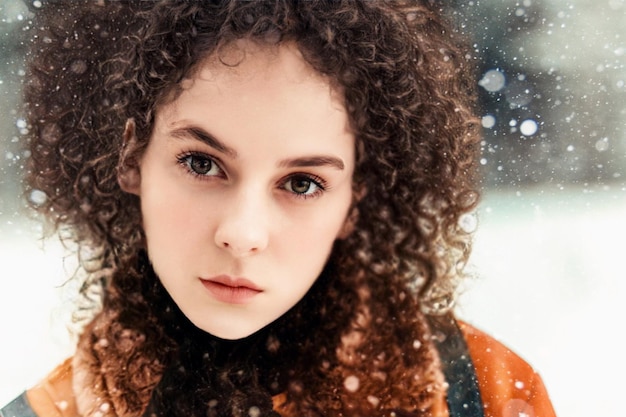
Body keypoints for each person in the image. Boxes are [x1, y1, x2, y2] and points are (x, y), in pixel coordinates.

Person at [1, 1, 556, 417]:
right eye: (200, 164)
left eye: (303, 182)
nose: (242, 235)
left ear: (357, 198)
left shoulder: (486, 391)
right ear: (131, 159)